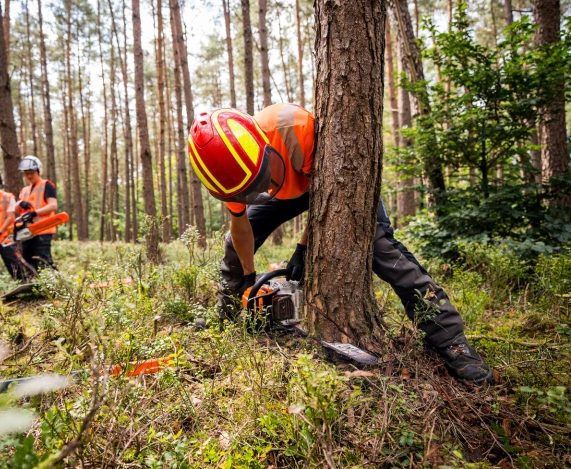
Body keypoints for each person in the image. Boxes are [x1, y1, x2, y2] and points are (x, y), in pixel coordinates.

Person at [187, 104, 493, 384]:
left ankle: (452, 340)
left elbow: (330, 196)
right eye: (251, 192)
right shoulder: (227, 171)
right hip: (290, 187)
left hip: (336, 187)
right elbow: (241, 228)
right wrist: (250, 278)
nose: (263, 190)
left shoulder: (294, 128)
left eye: (263, 180)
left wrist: (303, 247)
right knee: (232, 246)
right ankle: (224, 316)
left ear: (264, 147)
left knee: (382, 250)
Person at [15, 156, 58, 272]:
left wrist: (34, 213)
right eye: (26, 173)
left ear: (38, 171)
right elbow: (16, 210)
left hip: (43, 230)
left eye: (32, 173)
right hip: (27, 232)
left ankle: (53, 286)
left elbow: (53, 205)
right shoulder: (24, 190)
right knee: (28, 264)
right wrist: (20, 203)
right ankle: (33, 287)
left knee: (44, 262)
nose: (29, 176)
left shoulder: (46, 185)